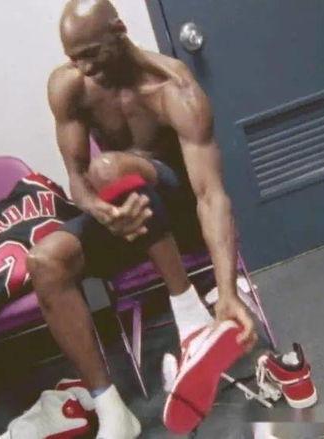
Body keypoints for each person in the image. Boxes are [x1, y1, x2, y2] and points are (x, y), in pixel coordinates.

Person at [27, 0, 257, 436]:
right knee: (45, 262)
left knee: (109, 168)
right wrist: (98, 210)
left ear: (119, 29)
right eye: (74, 58)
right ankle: (113, 411)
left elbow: (210, 195)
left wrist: (226, 290)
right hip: (125, 215)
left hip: (180, 216)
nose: (84, 67)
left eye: (91, 54)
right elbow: (77, 178)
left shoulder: (174, 87)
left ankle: (190, 317)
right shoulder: (69, 87)